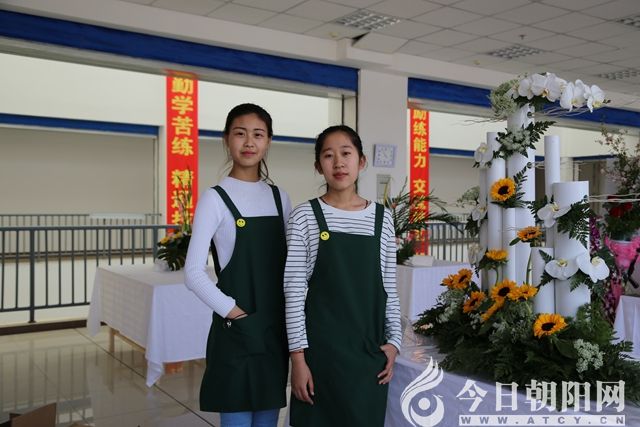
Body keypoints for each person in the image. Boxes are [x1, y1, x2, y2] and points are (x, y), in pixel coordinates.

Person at [284, 125, 402, 426]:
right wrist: (298, 360)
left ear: (361, 161)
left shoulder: (383, 218)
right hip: (319, 359)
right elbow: (293, 292)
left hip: (368, 357)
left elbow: (389, 287)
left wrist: (394, 343)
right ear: (318, 166)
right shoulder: (305, 216)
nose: (338, 163)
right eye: (328, 155)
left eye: (346, 153)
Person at [184, 103, 291, 427]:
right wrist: (237, 315)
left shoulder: (280, 198)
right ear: (226, 139)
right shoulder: (215, 198)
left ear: (268, 141)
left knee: (267, 421)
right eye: (240, 133)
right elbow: (193, 273)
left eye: (258, 134)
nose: (249, 142)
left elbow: (292, 266)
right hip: (236, 333)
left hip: (274, 332)